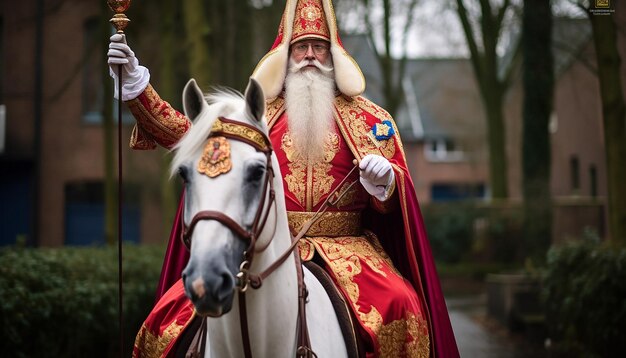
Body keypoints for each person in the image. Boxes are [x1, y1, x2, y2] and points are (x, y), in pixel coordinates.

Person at [108, 0, 459, 357]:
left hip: (348, 248)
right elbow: (192, 136)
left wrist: (386, 184)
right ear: (286, 52)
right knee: (164, 321)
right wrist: (138, 88)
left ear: (333, 53)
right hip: (262, 243)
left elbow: (393, 209)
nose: (309, 56)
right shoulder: (254, 116)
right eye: (301, 46)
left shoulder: (370, 120)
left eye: (318, 47)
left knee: (400, 304)